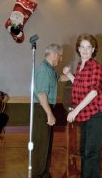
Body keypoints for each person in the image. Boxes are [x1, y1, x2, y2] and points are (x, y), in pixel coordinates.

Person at [63, 33, 102, 178]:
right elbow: (79, 84)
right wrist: (70, 74)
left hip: (96, 112)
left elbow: (94, 92)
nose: (85, 50)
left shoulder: (96, 66)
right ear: (78, 48)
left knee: (91, 152)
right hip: (85, 113)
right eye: (82, 47)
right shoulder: (80, 66)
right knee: (84, 151)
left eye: (88, 47)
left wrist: (75, 111)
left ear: (93, 49)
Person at [32, 43, 68, 178]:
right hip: (42, 110)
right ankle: (37, 174)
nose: (61, 58)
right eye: (60, 55)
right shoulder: (43, 70)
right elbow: (42, 94)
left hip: (45, 109)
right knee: (41, 145)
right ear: (53, 54)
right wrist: (49, 114)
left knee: (46, 144)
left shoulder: (50, 70)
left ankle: (45, 173)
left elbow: (61, 78)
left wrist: (73, 75)